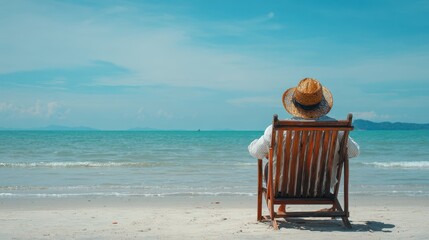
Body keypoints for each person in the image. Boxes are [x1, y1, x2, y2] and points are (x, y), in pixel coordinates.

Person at [248, 78, 360, 213]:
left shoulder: (276, 129)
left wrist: (258, 147)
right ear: (321, 104)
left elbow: (256, 153)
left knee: (268, 163)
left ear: (294, 104)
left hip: (284, 189)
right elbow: (354, 152)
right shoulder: (337, 128)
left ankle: (280, 206)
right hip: (321, 189)